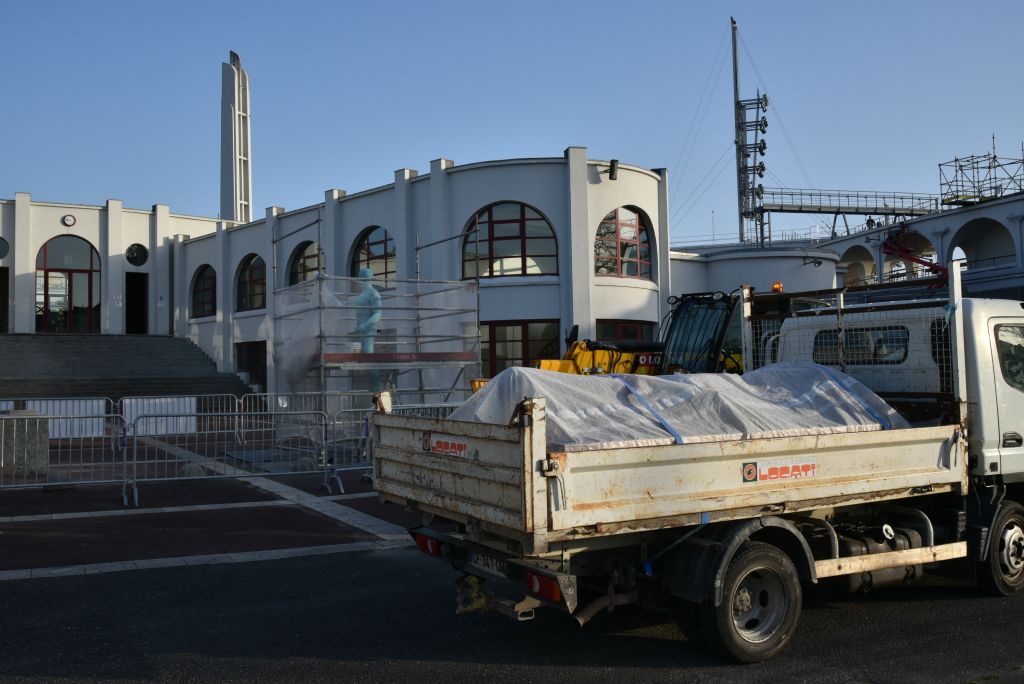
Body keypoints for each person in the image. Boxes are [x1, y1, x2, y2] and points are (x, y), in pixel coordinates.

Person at [353, 267, 381, 353]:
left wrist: (364, 325)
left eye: (361, 276)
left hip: (368, 330)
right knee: (359, 356)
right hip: (360, 330)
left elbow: (378, 314)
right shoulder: (362, 293)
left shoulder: (373, 293)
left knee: (366, 355)